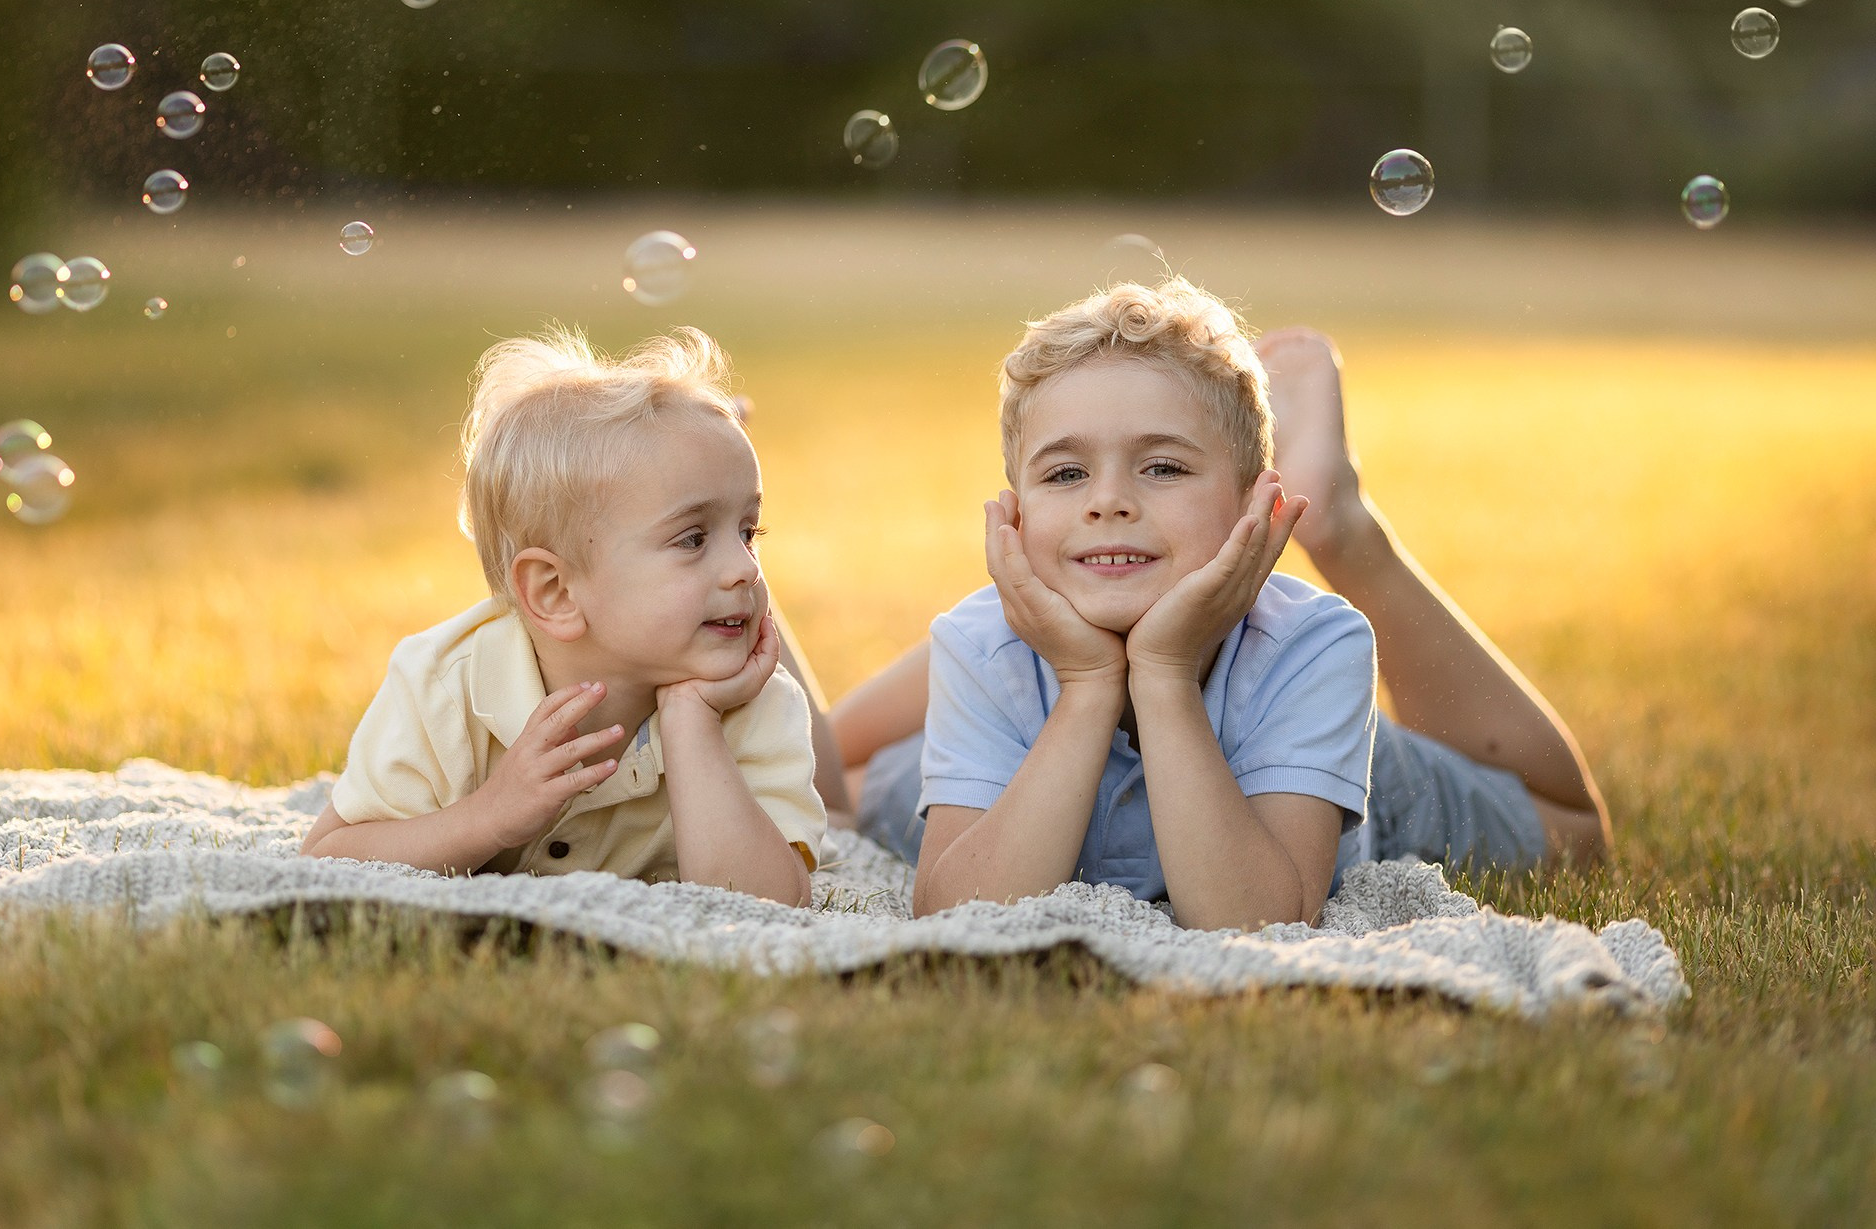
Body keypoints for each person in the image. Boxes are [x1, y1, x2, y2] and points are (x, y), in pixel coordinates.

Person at [846, 282, 1611, 925]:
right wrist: (1086, 683)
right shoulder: (981, 644)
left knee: (1572, 835)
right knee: (841, 783)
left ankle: (1337, 520)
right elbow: (956, 915)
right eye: (1066, 474)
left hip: (1325, 764)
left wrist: (1164, 671)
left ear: (1253, 508)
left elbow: (1255, 921)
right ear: (1013, 515)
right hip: (1014, 736)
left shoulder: (1311, 646)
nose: (1108, 500)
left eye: (1163, 466)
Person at [299, 326, 825, 907]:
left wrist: (692, 722)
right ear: (556, 593)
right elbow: (327, 858)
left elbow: (772, 905)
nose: (744, 568)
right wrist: (489, 816)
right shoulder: (444, 686)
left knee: (842, 810)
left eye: (749, 532)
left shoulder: (752, 701)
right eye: (693, 538)